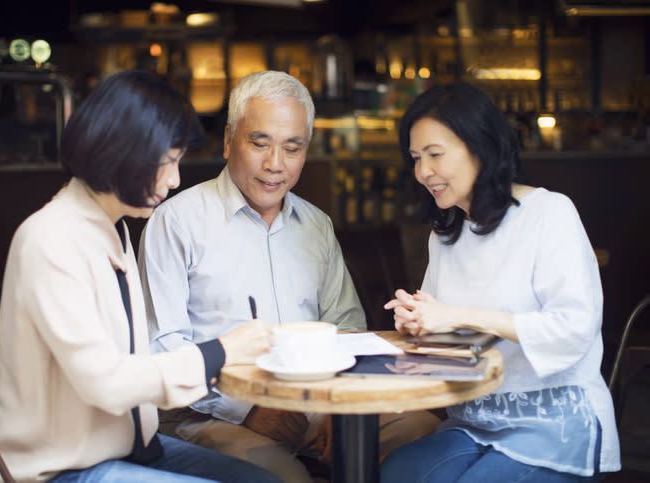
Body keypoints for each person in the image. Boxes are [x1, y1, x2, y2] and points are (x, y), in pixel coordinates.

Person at [139, 70, 440, 482]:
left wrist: (342, 404)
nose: (274, 165)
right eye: (258, 143)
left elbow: (347, 326)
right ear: (228, 140)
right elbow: (164, 347)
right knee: (284, 477)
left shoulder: (315, 225)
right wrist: (248, 408)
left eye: (292, 148)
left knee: (424, 435)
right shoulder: (177, 222)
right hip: (210, 416)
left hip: (314, 405)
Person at [0, 70, 281, 483]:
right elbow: (106, 383)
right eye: (168, 161)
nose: (176, 180)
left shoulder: (114, 228)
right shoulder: (50, 239)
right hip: (61, 469)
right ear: (123, 152)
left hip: (127, 447)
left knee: (264, 480)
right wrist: (220, 352)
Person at [381, 81, 621, 482]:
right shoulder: (446, 234)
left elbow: (573, 330)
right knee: (398, 471)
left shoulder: (548, 213)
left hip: (557, 423)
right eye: (416, 158)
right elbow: (449, 334)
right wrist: (421, 323)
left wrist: (456, 315)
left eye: (435, 155)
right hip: (475, 422)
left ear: (481, 147)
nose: (423, 172)